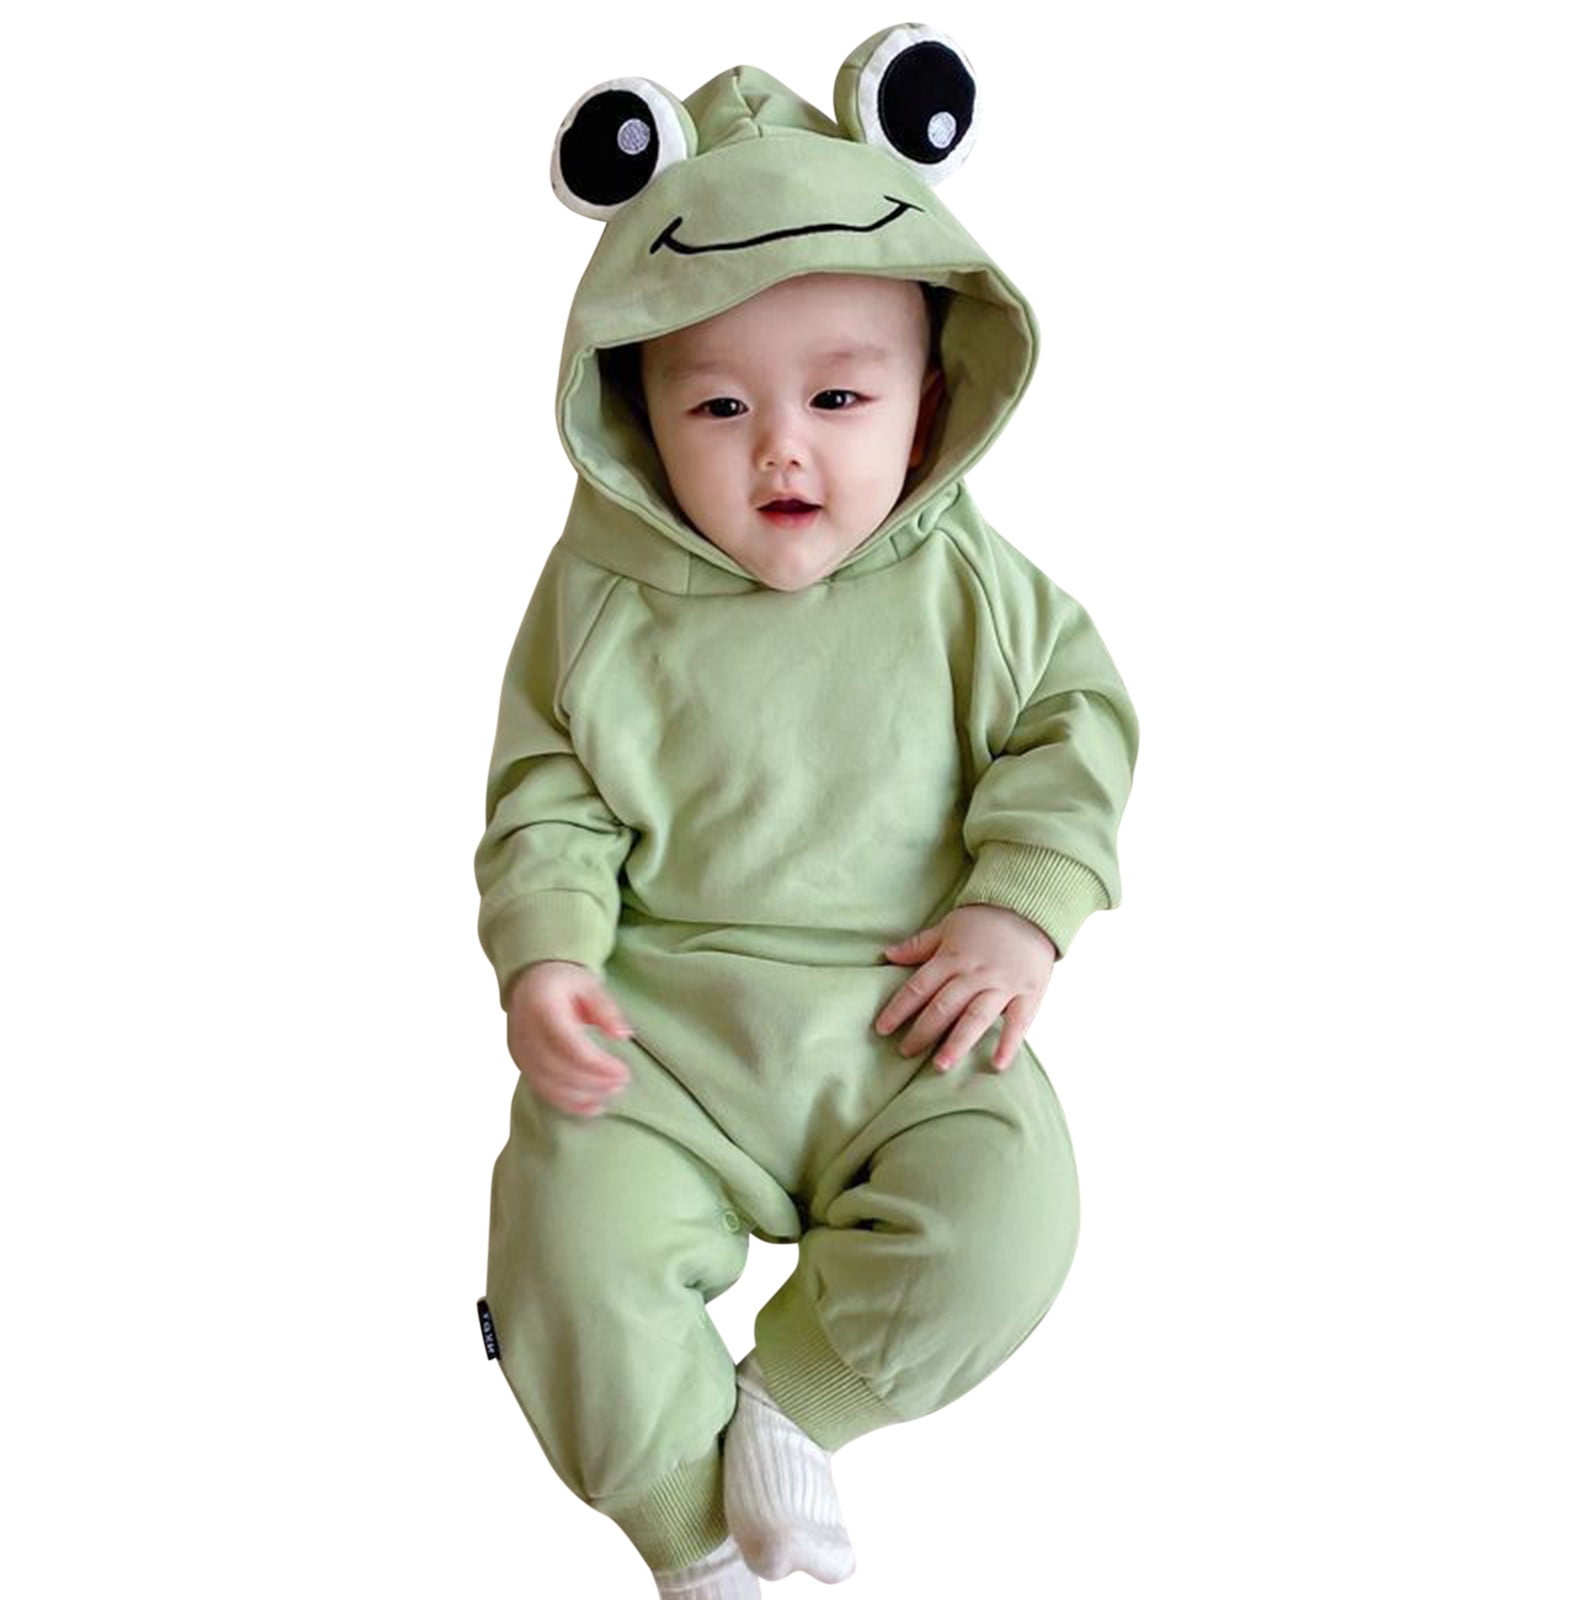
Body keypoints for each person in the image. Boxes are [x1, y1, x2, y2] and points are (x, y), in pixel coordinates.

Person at [473, 25, 1140, 1599]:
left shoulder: (967, 584)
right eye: (717, 408)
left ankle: (791, 1406)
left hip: (908, 1020)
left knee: (1011, 1213)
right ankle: (693, 1540)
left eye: (840, 394)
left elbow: (1078, 717)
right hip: (660, 1046)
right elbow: (546, 794)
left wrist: (1021, 904)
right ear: (635, 414)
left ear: (928, 400)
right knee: (562, 1251)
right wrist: (544, 960)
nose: (783, 445)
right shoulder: (601, 597)